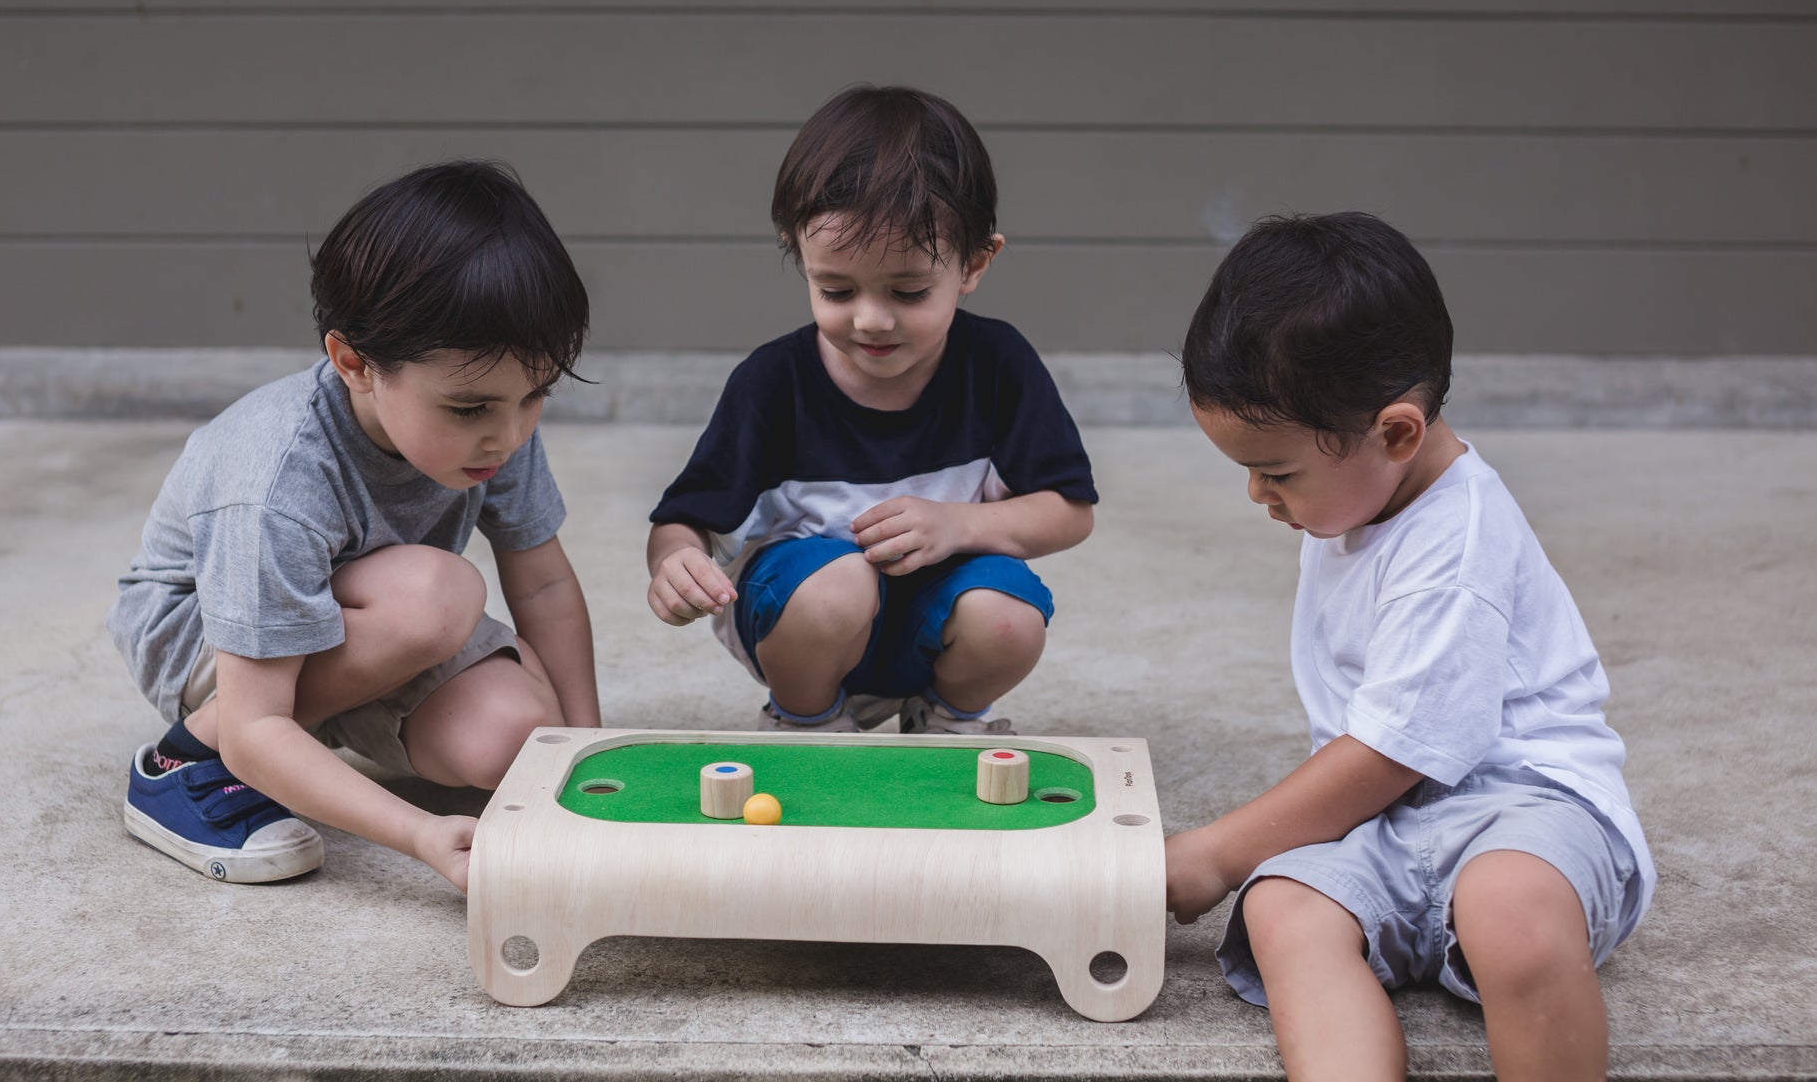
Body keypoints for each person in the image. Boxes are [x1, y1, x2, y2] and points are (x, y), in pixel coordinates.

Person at [1166, 212, 1654, 1079]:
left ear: (1396, 432)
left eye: (1277, 471)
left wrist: (1216, 852)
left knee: (1508, 908)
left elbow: (1395, 750)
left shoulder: (1455, 542)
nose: (1255, 493)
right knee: (1283, 911)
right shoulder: (1361, 494)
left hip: (1523, 806)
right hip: (1392, 824)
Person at [108, 160, 599, 891]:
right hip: (207, 634)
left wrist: (591, 754)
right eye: (470, 409)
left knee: (517, 739)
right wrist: (419, 834)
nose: (508, 432)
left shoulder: (497, 422)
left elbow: (547, 581)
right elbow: (261, 722)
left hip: (365, 622)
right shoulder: (275, 476)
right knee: (437, 596)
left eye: (536, 395)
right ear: (354, 362)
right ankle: (182, 762)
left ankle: (303, 738)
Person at [644, 85, 1098, 735]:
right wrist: (673, 562)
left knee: (1009, 616)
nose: (871, 319)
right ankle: (809, 722)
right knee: (839, 582)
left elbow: (1069, 510)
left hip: (937, 611)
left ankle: (946, 720)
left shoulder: (998, 364)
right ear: (798, 253)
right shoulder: (774, 382)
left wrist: (957, 524)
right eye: (835, 288)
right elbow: (684, 520)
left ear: (973, 263)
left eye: (909, 290)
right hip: (804, 623)